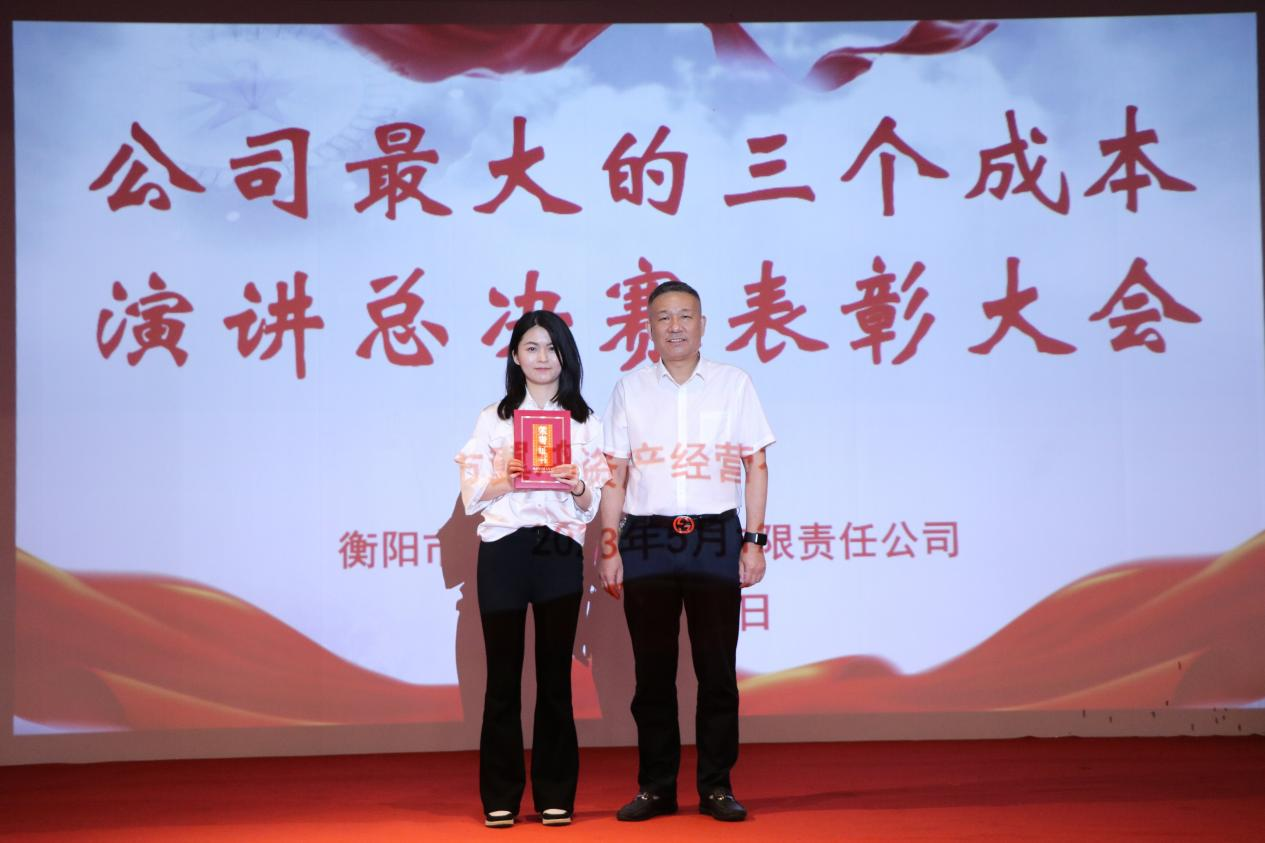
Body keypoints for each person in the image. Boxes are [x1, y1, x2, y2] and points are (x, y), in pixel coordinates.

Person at [598, 280, 773, 823]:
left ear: (703, 324)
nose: (675, 326)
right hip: (647, 537)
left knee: (716, 671)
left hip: (715, 535)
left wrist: (754, 540)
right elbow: (614, 474)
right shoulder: (629, 388)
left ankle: (717, 786)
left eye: (685, 316)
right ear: (649, 327)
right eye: (664, 317)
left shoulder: (733, 384)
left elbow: (756, 465)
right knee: (652, 674)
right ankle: (656, 787)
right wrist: (609, 546)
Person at [456, 310, 610, 828]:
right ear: (515, 356)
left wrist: (576, 484)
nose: (543, 358)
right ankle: (500, 795)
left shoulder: (585, 421)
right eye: (532, 347)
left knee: (554, 678)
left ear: (567, 355)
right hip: (503, 549)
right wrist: (507, 477)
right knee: (502, 678)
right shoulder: (493, 418)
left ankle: (555, 794)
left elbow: (592, 505)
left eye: (552, 347)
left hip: (559, 551)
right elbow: (472, 496)